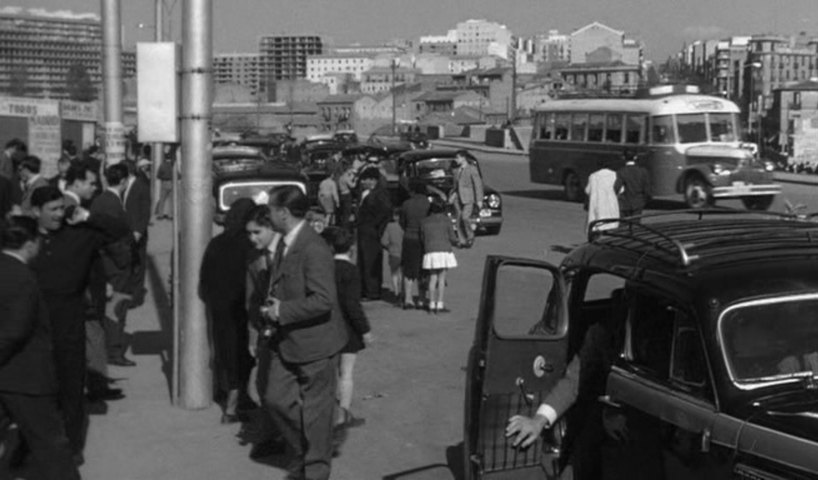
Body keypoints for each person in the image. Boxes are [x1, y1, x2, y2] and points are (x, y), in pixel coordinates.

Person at [28, 186, 130, 457]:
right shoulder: (24, 239)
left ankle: (72, 448)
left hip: (69, 325)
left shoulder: (79, 235)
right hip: (34, 330)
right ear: (36, 212)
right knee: (36, 393)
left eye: (62, 208)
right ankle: (31, 445)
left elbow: (119, 230)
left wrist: (87, 217)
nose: (59, 215)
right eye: (53, 210)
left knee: (71, 391)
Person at [259, 185, 348, 480]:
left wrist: (282, 311)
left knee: (317, 417)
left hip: (316, 346)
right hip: (287, 341)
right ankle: (304, 450)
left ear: (283, 213)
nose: (267, 214)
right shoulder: (286, 241)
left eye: (270, 209)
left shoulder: (314, 248)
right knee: (275, 399)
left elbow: (324, 300)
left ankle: (315, 470)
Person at [0, 216, 81, 479]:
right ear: (30, 244)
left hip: (11, 376)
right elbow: (15, 331)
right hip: (25, 378)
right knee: (51, 446)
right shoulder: (23, 278)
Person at [199, 198, 256, 424]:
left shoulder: (216, 243)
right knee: (245, 355)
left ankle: (228, 396)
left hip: (220, 308)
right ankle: (237, 404)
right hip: (243, 308)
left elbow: (204, 280)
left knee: (225, 351)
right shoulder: (251, 245)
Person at [322, 227, 373, 430]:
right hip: (348, 329)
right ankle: (343, 415)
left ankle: (327, 411)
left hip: (326, 326)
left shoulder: (323, 268)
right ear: (351, 248)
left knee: (328, 374)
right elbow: (353, 304)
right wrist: (365, 330)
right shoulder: (351, 271)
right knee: (347, 373)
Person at [89, 164, 136, 367]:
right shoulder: (113, 204)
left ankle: (110, 348)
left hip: (107, 263)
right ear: (124, 181)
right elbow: (114, 238)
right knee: (117, 308)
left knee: (110, 309)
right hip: (117, 266)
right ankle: (114, 350)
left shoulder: (99, 200)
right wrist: (126, 259)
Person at [355, 167, 392, 301]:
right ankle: (364, 289)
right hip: (364, 231)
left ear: (372, 180)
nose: (362, 182)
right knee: (363, 260)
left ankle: (372, 291)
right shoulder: (367, 192)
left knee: (370, 261)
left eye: (364, 179)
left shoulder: (380, 193)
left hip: (371, 232)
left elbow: (386, 211)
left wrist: (376, 226)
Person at [420, 198, 458, 314]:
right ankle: (439, 304)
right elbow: (452, 237)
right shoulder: (446, 220)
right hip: (444, 250)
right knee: (442, 279)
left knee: (432, 278)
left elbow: (422, 238)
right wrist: (457, 242)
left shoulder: (424, 221)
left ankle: (431, 304)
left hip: (430, 250)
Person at [123, 160, 152, 308]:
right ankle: (128, 293)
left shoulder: (141, 185)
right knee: (128, 265)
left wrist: (139, 231)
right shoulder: (123, 186)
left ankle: (136, 297)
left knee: (138, 265)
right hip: (125, 232)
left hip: (137, 233)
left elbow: (145, 211)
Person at [399, 179, 430, 310]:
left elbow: (402, 222)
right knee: (423, 270)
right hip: (424, 239)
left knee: (409, 270)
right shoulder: (428, 204)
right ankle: (422, 299)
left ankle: (408, 298)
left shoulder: (406, 204)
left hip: (409, 238)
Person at [452, 150, 483, 248]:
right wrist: (452, 195)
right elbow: (455, 186)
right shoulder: (456, 170)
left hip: (468, 197)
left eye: (457, 157)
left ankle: (470, 236)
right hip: (458, 198)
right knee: (458, 219)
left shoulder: (471, 169)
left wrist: (479, 199)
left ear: (463, 158)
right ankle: (462, 241)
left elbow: (477, 184)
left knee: (465, 217)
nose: (456, 160)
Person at [614, 149, 652, 220]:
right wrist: (647, 199)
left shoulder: (621, 171)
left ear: (624, 158)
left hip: (624, 202)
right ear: (635, 157)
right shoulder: (643, 171)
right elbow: (647, 188)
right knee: (636, 223)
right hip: (638, 201)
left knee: (624, 223)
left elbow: (617, 188)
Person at [585, 159, 620, 234]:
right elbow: (620, 189)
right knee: (611, 222)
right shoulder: (615, 175)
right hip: (611, 203)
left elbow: (588, 190)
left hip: (598, 202)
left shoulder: (593, 176)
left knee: (598, 222)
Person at [380, 207, 404, 304]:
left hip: (393, 253)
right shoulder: (404, 226)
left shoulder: (389, 226)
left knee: (394, 274)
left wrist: (388, 247)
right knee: (403, 274)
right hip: (404, 252)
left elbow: (384, 241)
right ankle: (403, 292)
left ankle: (396, 292)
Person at [154, 149, 175, 220]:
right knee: (171, 201)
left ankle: (160, 215)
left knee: (162, 200)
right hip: (172, 183)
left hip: (164, 183)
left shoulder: (162, 165)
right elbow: (178, 175)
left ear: (165, 158)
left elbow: (158, 175)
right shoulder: (173, 165)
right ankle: (170, 215)